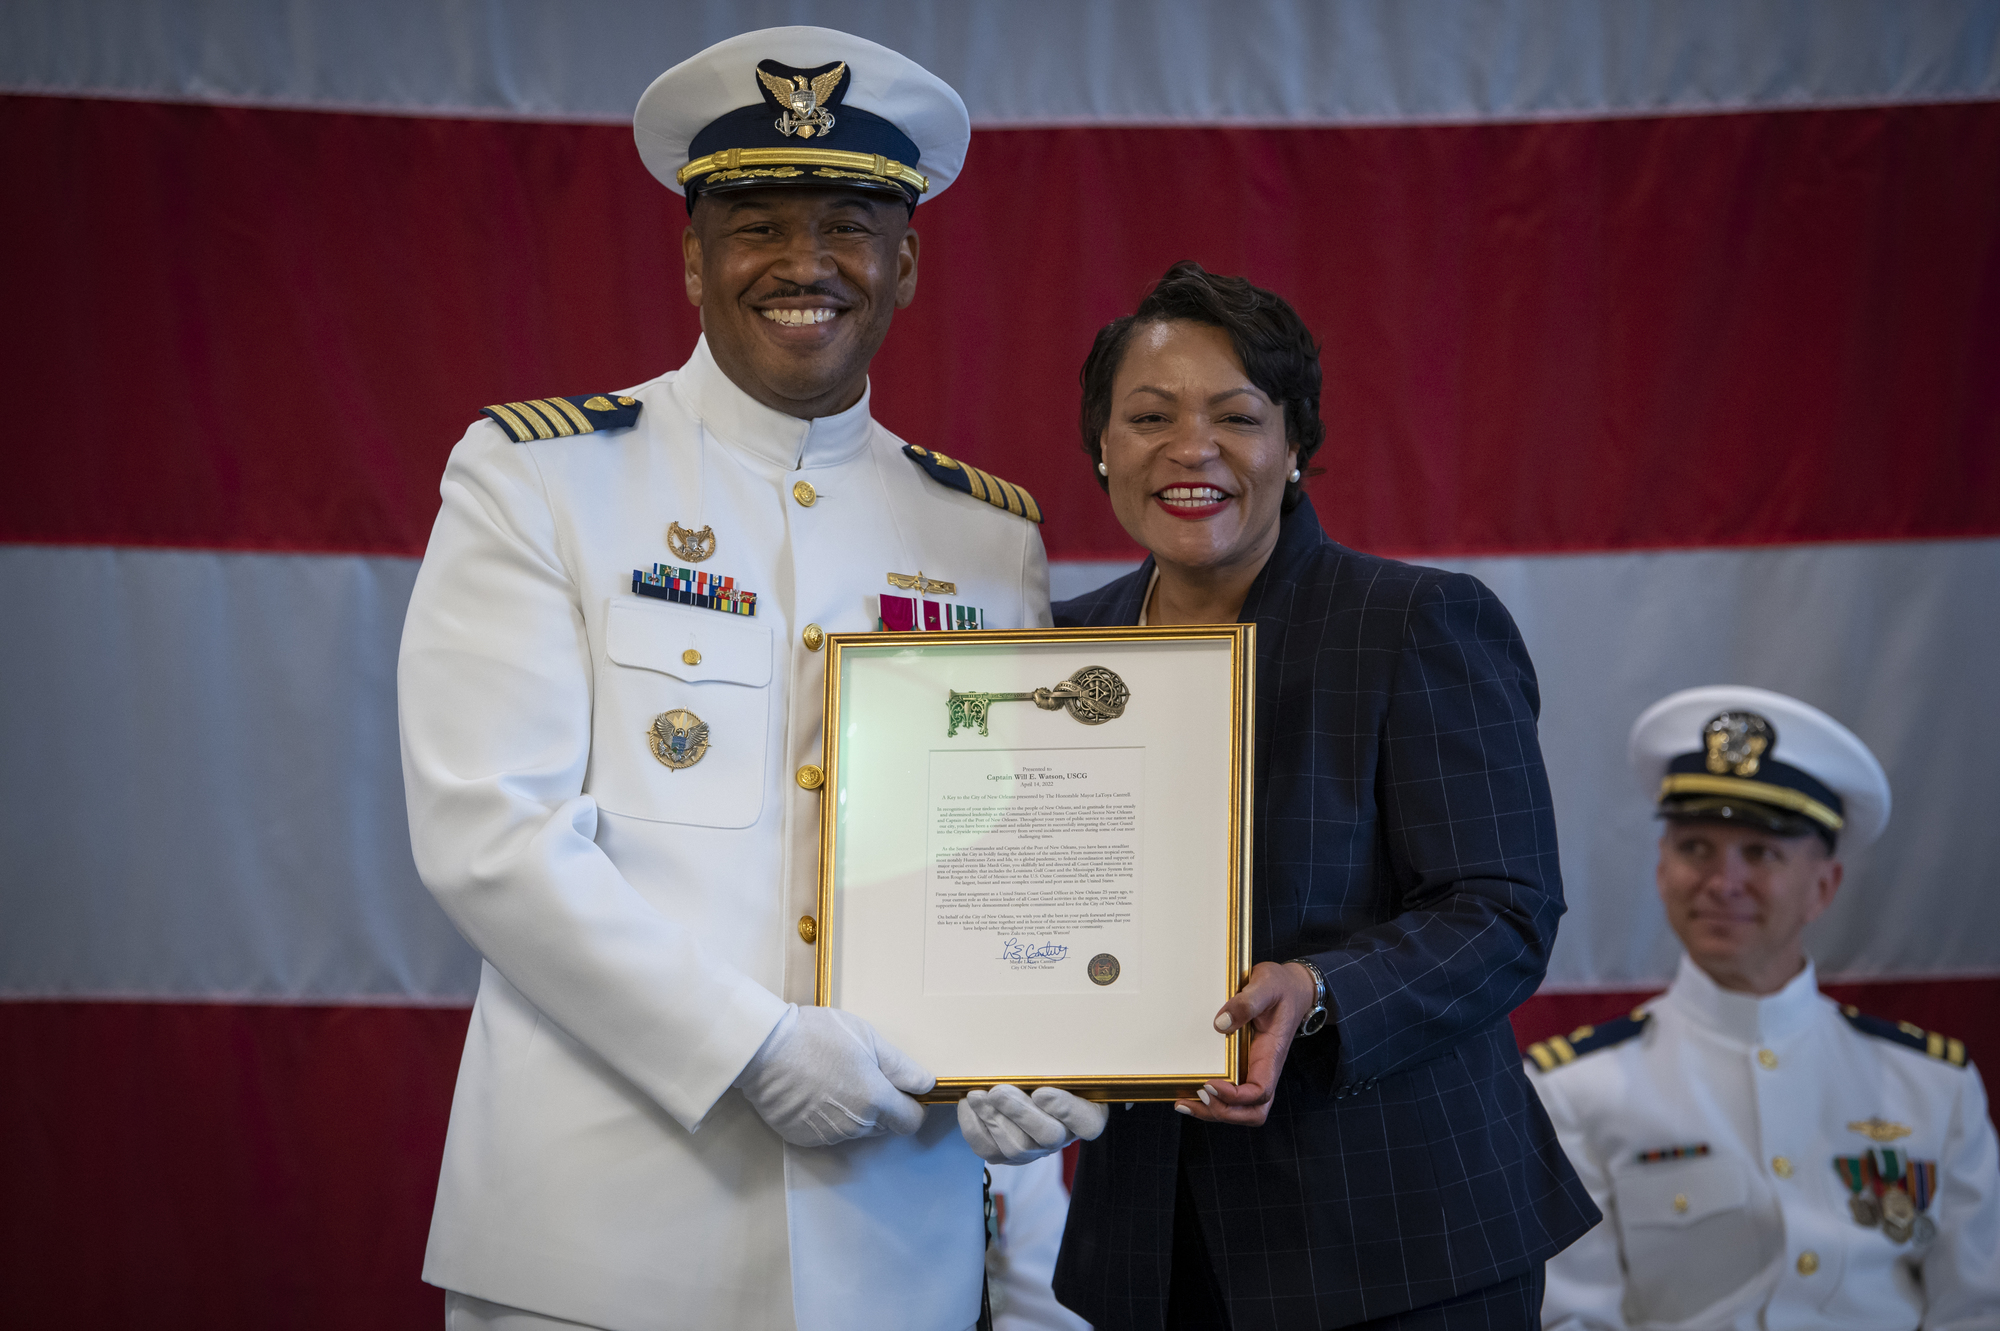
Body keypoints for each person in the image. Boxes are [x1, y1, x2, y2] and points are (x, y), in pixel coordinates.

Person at [397, 27, 1053, 1331]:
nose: (806, 262)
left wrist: (1055, 1056)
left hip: (899, 1233)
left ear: (907, 261)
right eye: (757, 221)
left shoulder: (988, 535)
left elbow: (1007, 856)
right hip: (596, 1241)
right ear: (693, 258)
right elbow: (490, 829)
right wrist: (749, 1044)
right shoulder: (538, 475)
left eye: (853, 221)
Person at [959, 260, 1598, 1329]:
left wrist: (1317, 985)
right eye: (1148, 415)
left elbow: (1501, 908)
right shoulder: (1049, 651)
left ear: (1293, 444)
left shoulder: (1415, 622)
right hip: (1149, 1248)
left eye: (1236, 415)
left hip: (1401, 1239)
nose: (1190, 448)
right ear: (1101, 450)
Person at [1528, 685, 2000, 1329]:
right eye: (1695, 848)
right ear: (1662, 868)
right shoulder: (1572, 1091)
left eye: (1761, 853)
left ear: (1823, 887)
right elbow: (1571, 1318)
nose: (1724, 883)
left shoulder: (1933, 1087)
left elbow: (1979, 1308)